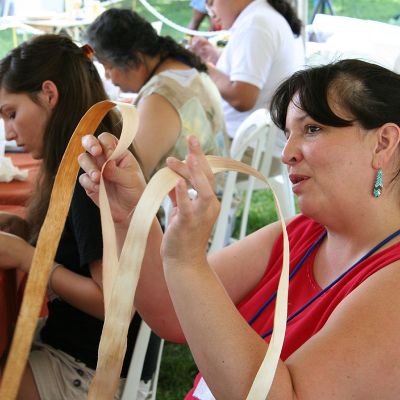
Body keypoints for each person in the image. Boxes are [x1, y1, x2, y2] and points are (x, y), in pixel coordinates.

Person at [79, 58, 400, 399]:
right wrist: (130, 214)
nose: (287, 153)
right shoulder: (300, 234)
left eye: (313, 129)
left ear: (383, 143)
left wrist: (188, 262)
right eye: (288, 134)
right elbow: (170, 310)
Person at [0, 34, 154, 400]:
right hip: (83, 349)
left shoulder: (91, 173)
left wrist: (27, 257)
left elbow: (112, 304)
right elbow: (83, 249)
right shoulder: (92, 151)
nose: (8, 132)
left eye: (11, 113)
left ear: (49, 95)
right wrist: (26, 230)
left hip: (91, 370)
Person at [85, 8, 227, 180]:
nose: (108, 77)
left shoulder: (160, 98)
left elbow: (132, 178)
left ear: (135, 60)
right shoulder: (182, 65)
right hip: (213, 189)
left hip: (189, 201)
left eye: (109, 67)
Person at [190, 0, 303, 141]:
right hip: (254, 142)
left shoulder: (256, 25)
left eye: (211, 2)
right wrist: (216, 58)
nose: (210, 12)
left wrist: (200, 64)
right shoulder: (261, 17)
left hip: (248, 146)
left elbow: (242, 98)